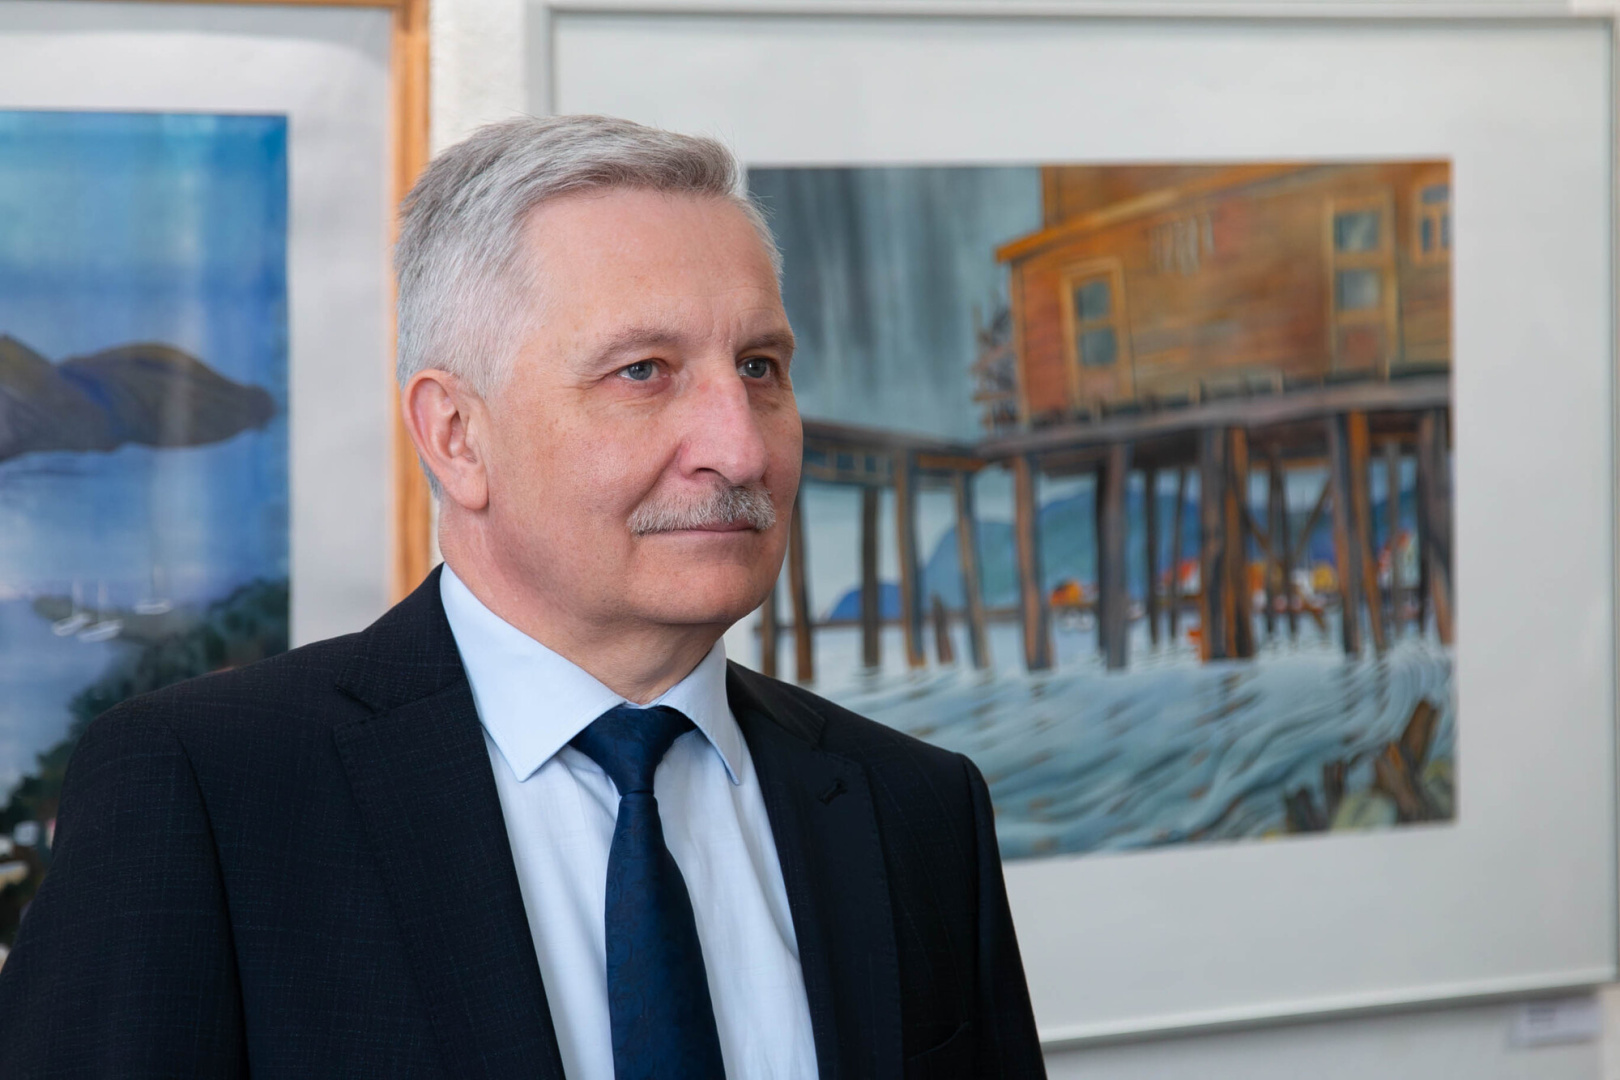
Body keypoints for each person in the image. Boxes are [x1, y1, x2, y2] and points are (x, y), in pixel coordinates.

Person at [0, 115, 1045, 1079]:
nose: (740, 448)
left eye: (761, 367)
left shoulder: (916, 807)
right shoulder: (205, 793)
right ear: (457, 436)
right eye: (644, 371)